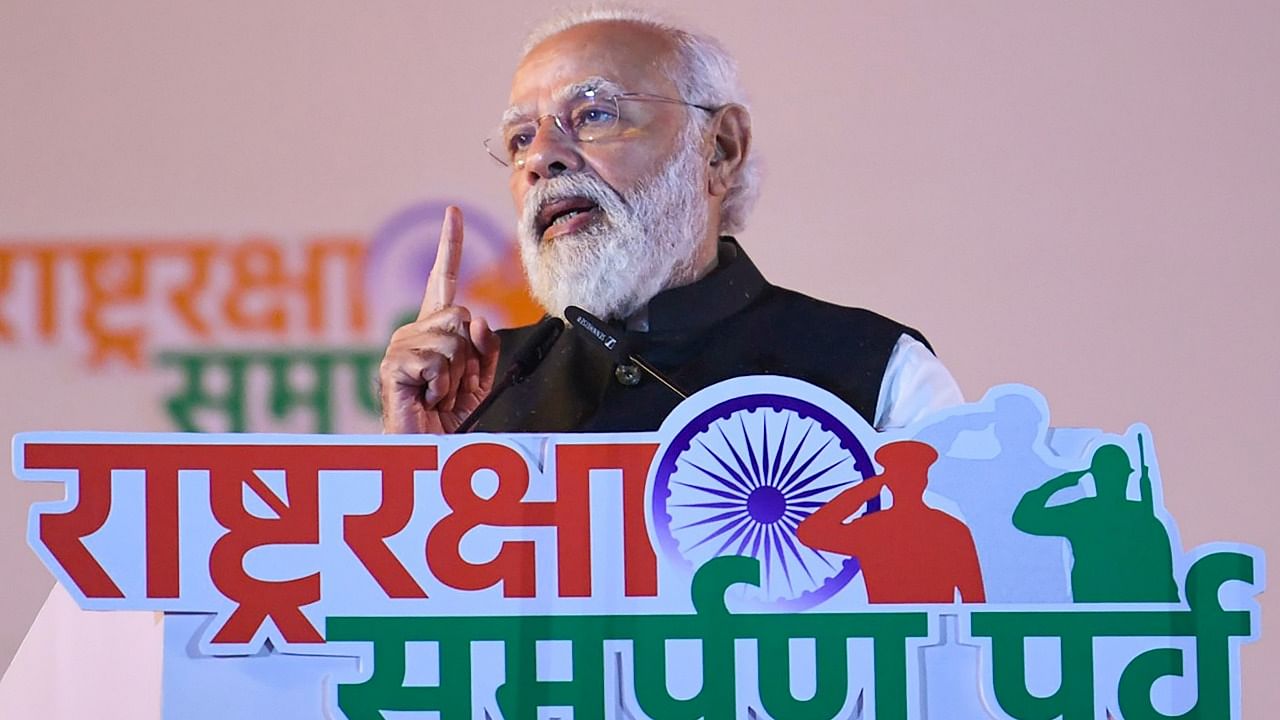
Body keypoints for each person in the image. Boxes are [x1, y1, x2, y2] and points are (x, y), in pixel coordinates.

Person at [378, 8, 963, 435]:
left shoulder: (874, 369)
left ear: (720, 149)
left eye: (593, 114)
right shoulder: (475, 391)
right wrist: (414, 472)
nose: (541, 159)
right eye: (520, 138)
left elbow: (947, 590)